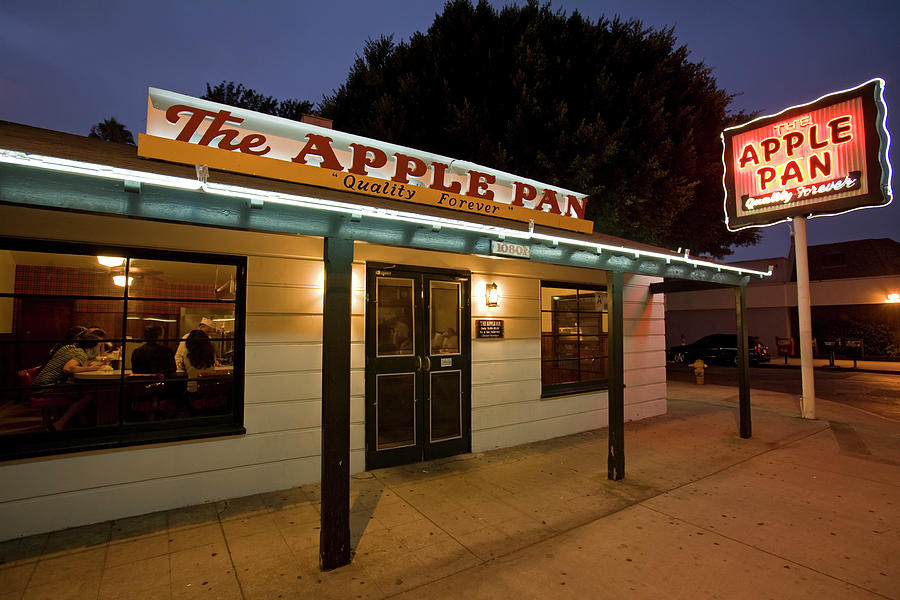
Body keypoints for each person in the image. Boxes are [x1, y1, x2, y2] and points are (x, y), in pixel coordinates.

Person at [32, 333, 104, 429]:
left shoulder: (69, 347)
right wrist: (93, 368)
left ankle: (80, 421)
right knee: (88, 394)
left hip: (38, 384)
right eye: (98, 345)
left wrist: (88, 365)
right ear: (91, 347)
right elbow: (68, 368)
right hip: (46, 388)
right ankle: (60, 424)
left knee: (85, 389)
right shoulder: (80, 354)